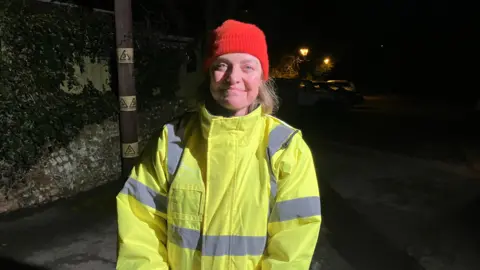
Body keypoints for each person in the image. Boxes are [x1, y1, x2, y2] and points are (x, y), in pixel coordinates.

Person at [116, 19, 322, 270]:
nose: (233, 77)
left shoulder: (287, 148)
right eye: (222, 65)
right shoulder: (171, 140)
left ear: (262, 77)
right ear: (209, 75)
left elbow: (293, 245)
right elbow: (140, 226)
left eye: (247, 67)